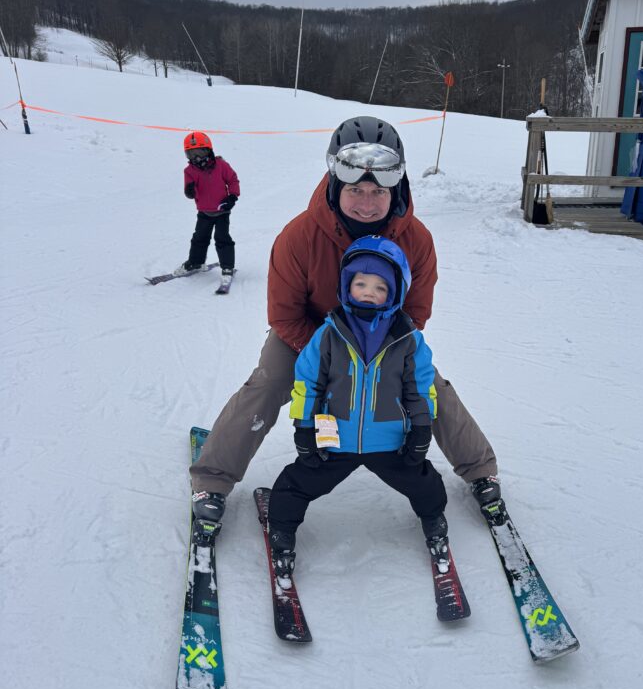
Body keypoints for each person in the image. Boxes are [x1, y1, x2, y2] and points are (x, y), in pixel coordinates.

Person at [190, 115, 502, 535]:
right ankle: (212, 480)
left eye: (379, 191)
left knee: (430, 389)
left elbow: (416, 313)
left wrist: (375, 354)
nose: (368, 203)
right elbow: (284, 315)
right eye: (356, 190)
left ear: (397, 188)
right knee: (268, 383)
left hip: (384, 338)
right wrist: (330, 354)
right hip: (306, 337)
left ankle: (481, 470)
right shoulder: (299, 237)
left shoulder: (417, 241)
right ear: (337, 185)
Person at [266, 236, 449, 577]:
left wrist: (422, 428)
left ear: (395, 293)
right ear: (345, 286)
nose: (368, 291)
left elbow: (420, 388)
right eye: (360, 283)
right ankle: (281, 529)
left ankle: (434, 519)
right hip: (336, 441)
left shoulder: (408, 340)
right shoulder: (328, 335)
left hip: (390, 442)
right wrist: (304, 428)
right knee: (296, 484)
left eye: (380, 287)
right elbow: (308, 383)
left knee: (424, 483)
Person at [176, 131, 240, 287]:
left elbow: (232, 180)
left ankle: (227, 267)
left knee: (222, 238)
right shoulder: (189, 171)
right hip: (204, 211)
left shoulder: (221, 166)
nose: (196, 158)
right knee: (199, 238)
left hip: (222, 211)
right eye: (191, 154)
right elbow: (189, 192)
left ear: (208, 150)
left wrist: (232, 196)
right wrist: (189, 191)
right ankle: (195, 262)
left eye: (199, 152)